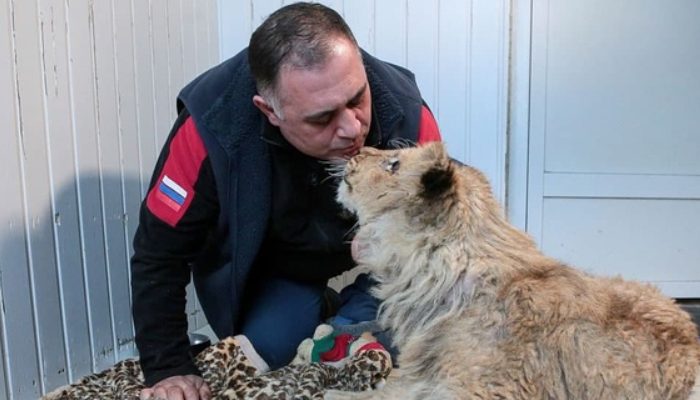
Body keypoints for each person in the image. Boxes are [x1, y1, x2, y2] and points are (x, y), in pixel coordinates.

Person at [131, 2, 441, 399]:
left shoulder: (407, 111)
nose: (352, 128)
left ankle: (349, 312)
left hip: (375, 262)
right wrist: (167, 367)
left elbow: (440, 233)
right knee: (271, 347)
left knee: (390, 341)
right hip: (273, 266)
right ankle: (320, 310)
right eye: (321, 118)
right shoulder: (210, 125)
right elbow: (160, 252)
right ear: (268, 110)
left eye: (357, 99)